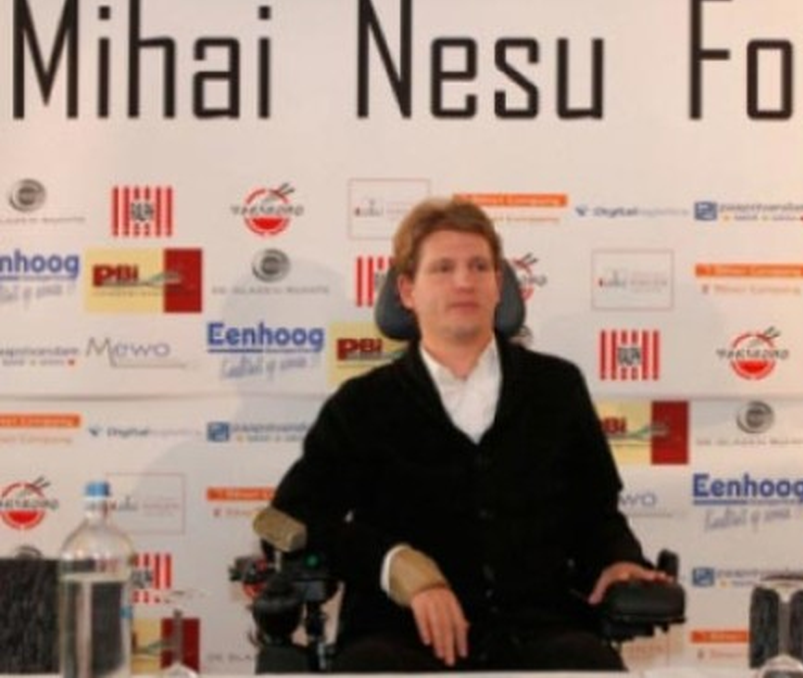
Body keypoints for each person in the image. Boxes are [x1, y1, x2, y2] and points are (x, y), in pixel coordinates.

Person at [268, 197, 668, 672]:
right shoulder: (363, 404)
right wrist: (396, 564)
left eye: (479, 266)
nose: (464, 281)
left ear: (499, 285)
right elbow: (291, 518)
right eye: (443, 268)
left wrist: (617, 560)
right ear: (407, 291)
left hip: (539, 631)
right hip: (398, 637)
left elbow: (596, 513)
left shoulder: (556, 388)